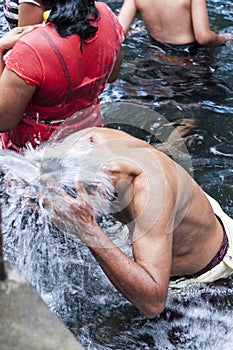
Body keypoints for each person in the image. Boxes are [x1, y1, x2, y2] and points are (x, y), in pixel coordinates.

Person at [43, 126, 233, 319]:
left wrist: (88, 230)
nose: (77, 202)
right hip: (187, 217)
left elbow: (153, 303)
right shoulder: (91, 138)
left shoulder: (151, 192)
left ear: (100, 187)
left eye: (80, 195)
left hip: (204, 276)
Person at [0, 0, 124, 151]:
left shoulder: (31, 48)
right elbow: (112, 75)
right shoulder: (105, 14)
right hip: (89, 139)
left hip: (33, 155)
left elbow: (3, 121)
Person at [118, 0, 232, 55]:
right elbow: (204, 38)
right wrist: (223, 39)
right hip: (192, 59)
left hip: (157, 56)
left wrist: (137, 32)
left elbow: (117, 33)